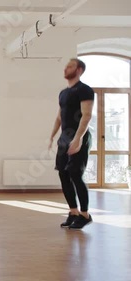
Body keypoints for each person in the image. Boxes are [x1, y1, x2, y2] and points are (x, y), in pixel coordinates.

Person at [48, 58, 94, 230]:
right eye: (66, 66)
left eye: (71, 66)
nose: (66, 69)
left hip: (79, 138)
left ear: (80, 69)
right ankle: (73, 212)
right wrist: (52, 136)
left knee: (75, 174)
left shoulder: (85, 90)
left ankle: (85, 214)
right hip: (64, 139)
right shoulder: (63, 93)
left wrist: (78, 138)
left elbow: (86, 115)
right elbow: (60, 117)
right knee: (63, 175)